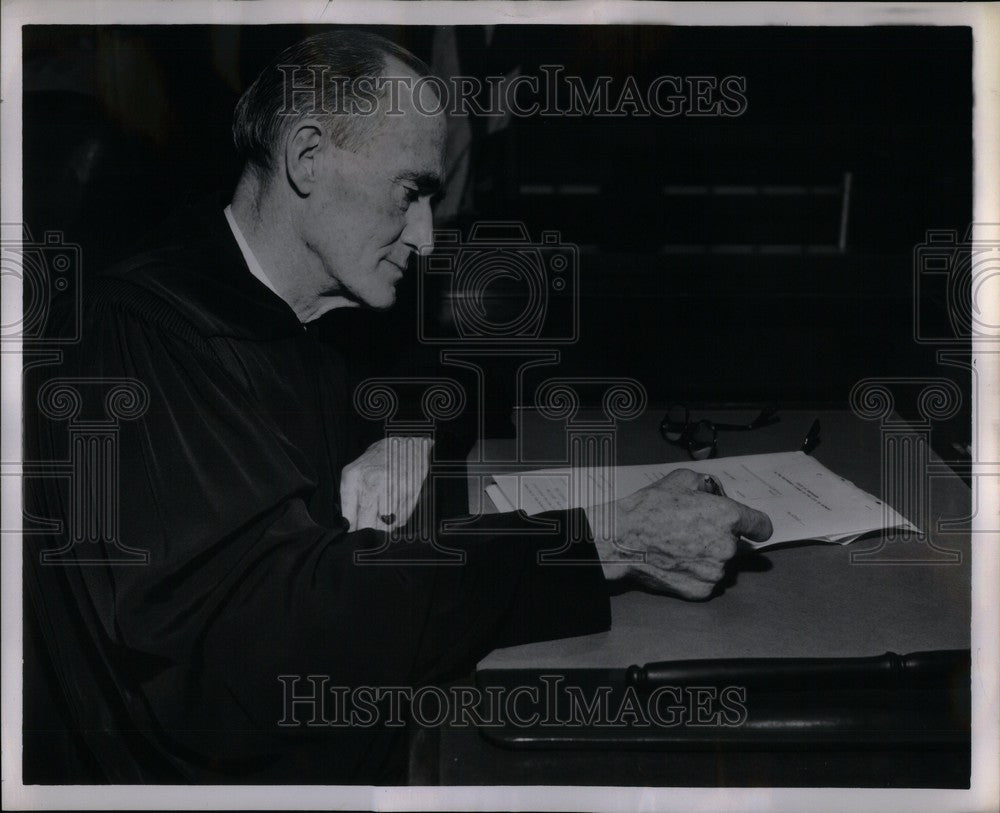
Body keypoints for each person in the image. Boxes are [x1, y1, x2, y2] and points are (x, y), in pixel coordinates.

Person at [23, 30, 772, 784]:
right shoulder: (142, 335)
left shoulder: (319, 295)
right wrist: (605, 537)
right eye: (410, 192)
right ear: (308, 156)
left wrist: (406, 431)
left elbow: (447, 377)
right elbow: (268, 645)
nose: (425, 234)